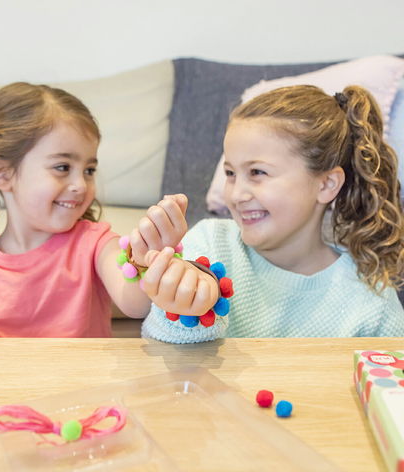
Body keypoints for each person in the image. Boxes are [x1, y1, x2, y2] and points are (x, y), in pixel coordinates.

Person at [0, 82, 218, 344]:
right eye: (62, 167)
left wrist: (145, 259)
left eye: (89, 170)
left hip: (84, 389)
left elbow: (135, 304)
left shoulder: (95, 243)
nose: (81, 184)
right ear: (2, 173)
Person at [141, 84, 404, 343]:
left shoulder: (371, 299)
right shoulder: (209, 243)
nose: (236, 194)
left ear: (326, 184)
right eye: (231, 173)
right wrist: (184, 309)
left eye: (258, 172)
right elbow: (160, 348)